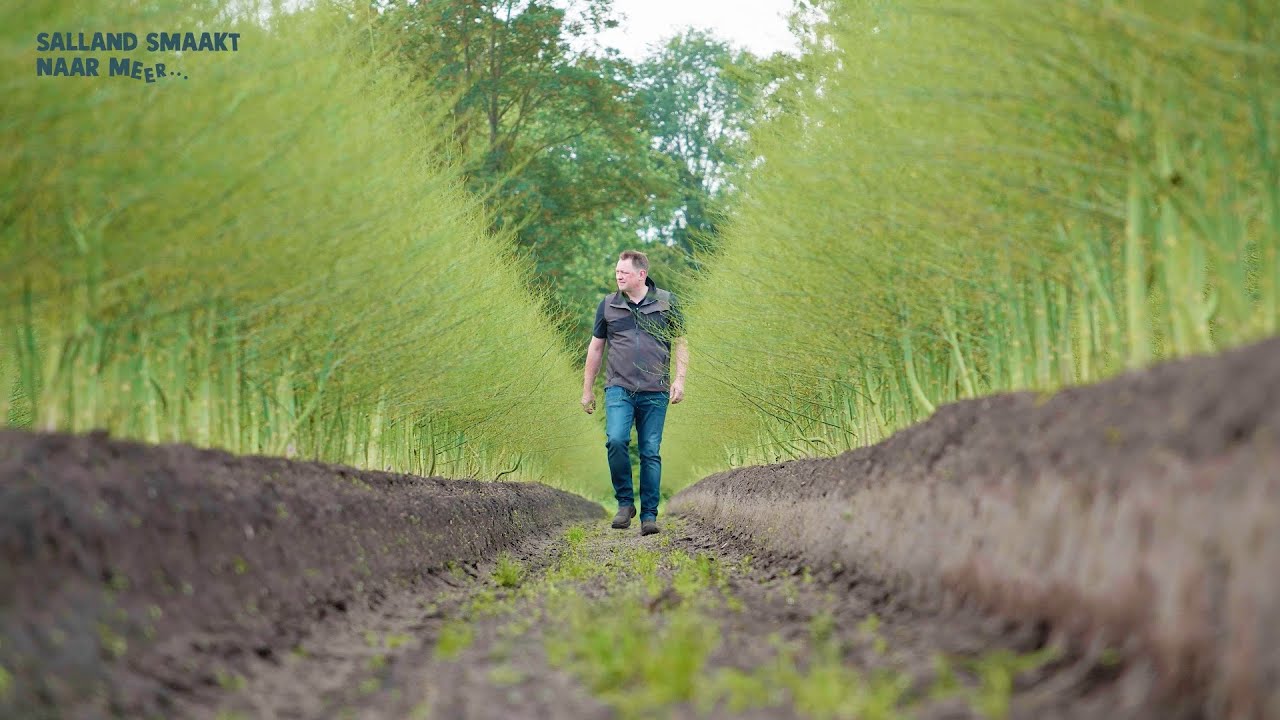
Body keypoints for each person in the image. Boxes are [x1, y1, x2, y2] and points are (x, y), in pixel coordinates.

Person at [581, 250, 688, 536]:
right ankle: (625, 503)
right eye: (617, 271)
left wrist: (679, 380)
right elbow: (596, 348)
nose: (618, 276)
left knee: (650, 451)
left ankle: (649, 515)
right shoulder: (608, 305)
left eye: (624, 272)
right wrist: (587, 389)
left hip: (656, 389)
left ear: (641, 274)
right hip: (619, 387)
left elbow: (681, 341)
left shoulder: (667, 302)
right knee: (616, 440)